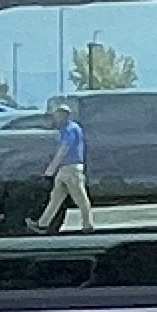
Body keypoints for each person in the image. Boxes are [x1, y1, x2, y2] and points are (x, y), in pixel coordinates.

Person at [38, 97, 94, 232]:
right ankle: (42, 224)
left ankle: (88, 225)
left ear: (65, 115)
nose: (55, 118)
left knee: (80, 198)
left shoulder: (70, 129)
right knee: (55, 199)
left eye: (58, 115)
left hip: (71, 168)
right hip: (65, 169)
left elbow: (64, 149)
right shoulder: (67, 129)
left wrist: (51, 168)